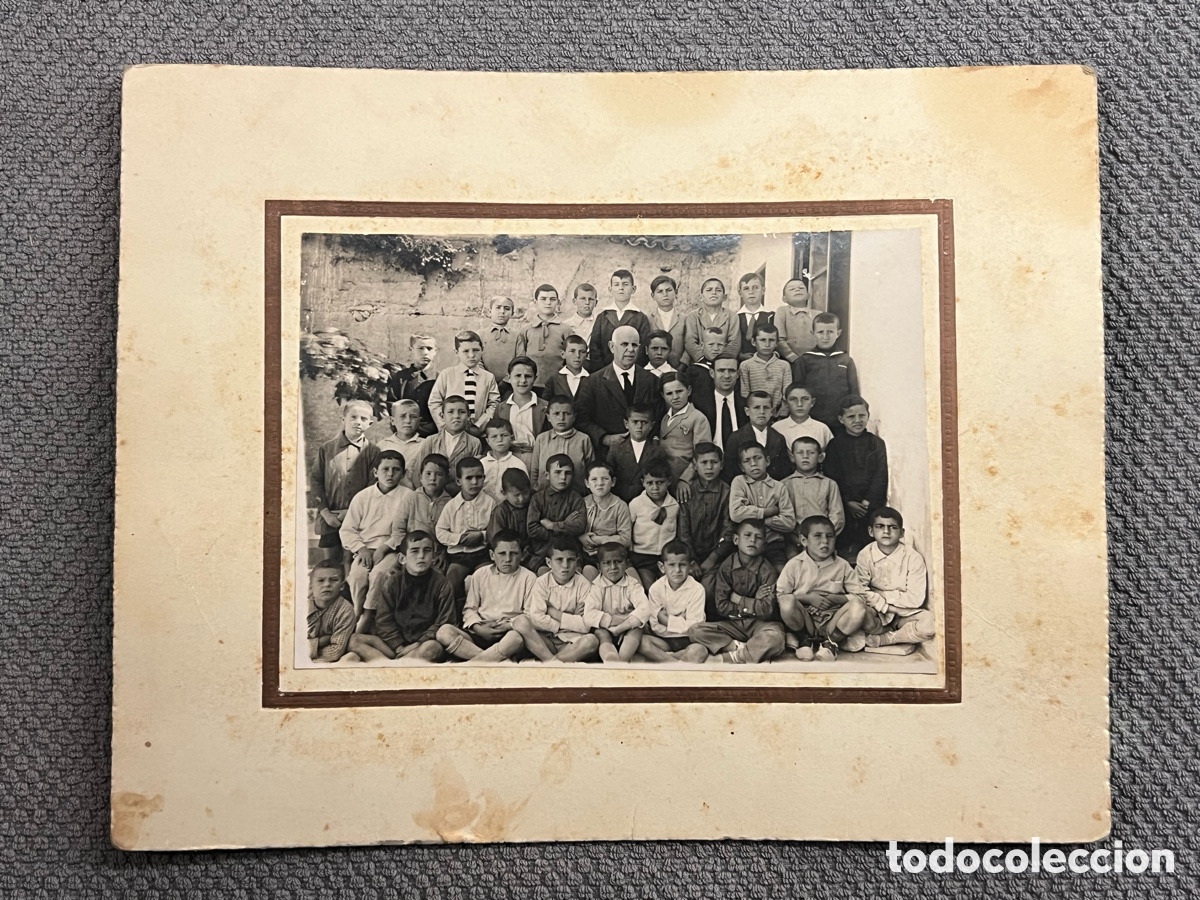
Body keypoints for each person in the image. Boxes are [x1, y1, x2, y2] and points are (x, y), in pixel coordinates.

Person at [686, 519, 786, 664]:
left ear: (764, 545)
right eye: (747, 535)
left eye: (758, 537)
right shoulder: (726, 567)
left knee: (775, 638)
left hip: (759, 624)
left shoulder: (768, 571)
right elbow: (722, 606)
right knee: (695, 630)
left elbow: (766, 610)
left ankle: (733, 657)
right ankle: (738, 647)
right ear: (735, 539)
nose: (752, 540)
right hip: (733, 624)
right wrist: (754, 602)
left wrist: (738, 599)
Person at [435, 530, 539, 663]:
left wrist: (507, 626)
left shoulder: (529, 578)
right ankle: (496, 659)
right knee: (444, 632)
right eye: (502, 553)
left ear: (522, 555)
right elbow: (470, 609)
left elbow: (529, 615)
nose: (507, 559)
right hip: (481, 632)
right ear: (492, 555)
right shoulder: (480, 574)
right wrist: (478, 628)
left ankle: (471, 664)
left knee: (516, 638)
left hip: (508, 632)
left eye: (513, 553)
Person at [353, 531, 454, 662]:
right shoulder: (392, 582)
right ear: (402, 558)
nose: (421, 556)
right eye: (415, 551)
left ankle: (393, 664)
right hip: (395, 648)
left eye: (427, 550)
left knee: (432, 648)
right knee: (354, 640)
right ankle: (401, 662)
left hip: (423, 645)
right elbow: (383, 620)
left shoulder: (442, 584)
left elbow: (444, 621)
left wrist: (418, 644)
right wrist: (398, 646)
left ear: (434, 557)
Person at [846, 507, 934, 651]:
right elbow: (860, 590)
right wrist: (884, 606)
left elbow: (915, 598)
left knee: (930, 623)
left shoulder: (913, 558)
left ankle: (886, 639)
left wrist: (880, 597)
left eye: (893, 527)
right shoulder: (865, 554)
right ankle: (883, 634)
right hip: (876, 612)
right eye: (880, 526)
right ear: (871, 531)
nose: (886, 531)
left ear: (902, 533)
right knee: (860, 611)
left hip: (904, 614)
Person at [776, 515, 861, 661]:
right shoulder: (794, 565)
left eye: (830, 536)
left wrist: (836, 599)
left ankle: (831, 642)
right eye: (817, 536)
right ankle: (803, 639)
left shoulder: (842, 565)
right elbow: (780, 595)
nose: (825, 541)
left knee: (858, 606)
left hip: (832, 620)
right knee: (786, 601)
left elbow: (860, 595)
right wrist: (808, 598)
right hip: (805, 619)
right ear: (804, 540)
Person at [339, 450, 412, 619]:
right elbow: (347, 529)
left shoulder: (408, 497)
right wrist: (361, 549)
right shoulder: (363, 497)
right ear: (375, 472)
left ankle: (369, 615)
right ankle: (357, 613)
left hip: (393, 549)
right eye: (385, 469)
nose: (390, 474)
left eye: (396, 470)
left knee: (379, 574)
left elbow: (407, 530)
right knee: (357, 576)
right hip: (365, 549)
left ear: (403, 473)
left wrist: (385, 548)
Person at [308, 399, 380, 561]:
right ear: (343, 419)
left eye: (363, 419)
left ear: (370, 424)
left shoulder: (373, 452)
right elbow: (316, 480)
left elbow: (372, 486)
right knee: (330, 563)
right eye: (353, 417)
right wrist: (325, 513)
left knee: (352, 562)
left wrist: (351, 512)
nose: (357, 422)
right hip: (330, 519)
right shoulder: (327, 449)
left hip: (358, 519)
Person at [574, 324, 661, 457]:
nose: (630, 349)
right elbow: (581, 419)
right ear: (611, 347)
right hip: (607, 455)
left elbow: (659, 415)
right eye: (624, 344)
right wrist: (604, 438)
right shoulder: (592, 382)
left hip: (644, 455)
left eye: (634, 345)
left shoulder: (652, 381)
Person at [515, 536, 602, 662]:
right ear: (549, 563)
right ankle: (554, 662)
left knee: (592, 641)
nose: (565, 565)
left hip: (571, 642)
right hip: (545, 641)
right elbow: (536, 618)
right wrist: (568, 620)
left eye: (570, 560)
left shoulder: (584, 586)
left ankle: (548, 662)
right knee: (520, 621)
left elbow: (585, 626)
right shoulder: (541, 583)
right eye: (559, 560)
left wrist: (554, 613)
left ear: (577, 561)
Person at [822, 395, 888, 559]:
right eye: (851, 416)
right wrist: (848, 501)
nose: (857, 420)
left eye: (862, 415)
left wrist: (867, 502)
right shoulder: (835, 445)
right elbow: (832, 475)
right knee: (846, 545)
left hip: (870, 505)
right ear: (841, 419)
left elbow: (880, 475)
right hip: (845, 505)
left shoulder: (876, 443)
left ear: (868, 416)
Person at [676, 442, 735, 618]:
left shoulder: (727, 492)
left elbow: (728, 530)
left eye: (714, 462)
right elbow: (683, 531)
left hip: (715, 557)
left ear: (721, 465)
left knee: (708, 590)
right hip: (690, 556)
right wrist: (691, 560)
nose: (709, 467)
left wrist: (712, 559)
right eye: (704, 462)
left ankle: (709, 625)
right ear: (695, 465)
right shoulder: (687, 491)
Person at [435, 457, 495, 617]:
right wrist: (459, 538)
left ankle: (485, 616)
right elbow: (440, 531)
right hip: (459, 556)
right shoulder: (451, 506)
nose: (474, 482)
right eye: (469, 478)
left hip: (482, 553)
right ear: (458, 481)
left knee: (487, 578)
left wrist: (481, 535)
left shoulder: (490, 503)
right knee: (452, 581)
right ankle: (452, 618)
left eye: (479, 477)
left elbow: (496, 529)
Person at [729, 443, 796, 570]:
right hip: (747, 545)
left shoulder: (779, 487)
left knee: (780, 572)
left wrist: (761, 519)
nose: (753, 464)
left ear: (767, 461)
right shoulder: (739, 482)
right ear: (741, 467)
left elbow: (789, 523)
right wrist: (767, 511)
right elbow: (736, 514)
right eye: (747, 461)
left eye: (758, 458)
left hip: (773, 543)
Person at [641, 541, 709, 663]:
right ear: (662, 567)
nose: (677, 570)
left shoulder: (697, 589)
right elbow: (655, 627)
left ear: (690, 566)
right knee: (642, 643)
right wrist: (682, 618)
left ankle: (664, 658)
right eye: (671, 565)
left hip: (688, 640)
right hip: (663, 640)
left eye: (682, 565)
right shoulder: (655, 589)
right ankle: (676, 662)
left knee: (699, 651)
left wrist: (666, 620)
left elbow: (695, 627)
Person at [584, 543, 651, 663]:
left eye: (618, 562)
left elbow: (644, 608)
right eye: (607, 563)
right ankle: (610, 658)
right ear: (599, 567)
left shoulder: (632, 584)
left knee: (636, 630)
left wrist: (622, 627)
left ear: (626, 564)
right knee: (601, 633)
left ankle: (623, 660)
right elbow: (589, 614)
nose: (613, 567)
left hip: (629, 626)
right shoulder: (596, 586)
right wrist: (613, 622)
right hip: (606, 626)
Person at [791, 312, 860, 428]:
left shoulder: (845, 360)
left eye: (830, 332)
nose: (825, 337)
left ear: (838, 333)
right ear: (813, 333)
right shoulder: (804, 360)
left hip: (840, 419)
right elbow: (798, 391)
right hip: (813, 418)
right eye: (820, 332)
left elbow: (854, 392)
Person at [428, 330, 500, 436]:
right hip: (450, 432)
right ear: (457, 352)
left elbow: (494, 404)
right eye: (466, 351)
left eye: (476, 350)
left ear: (482, 350)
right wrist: (446, 426)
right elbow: (434, 402)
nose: (471, 355)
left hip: (477, 433)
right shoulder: (447, 374)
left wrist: (479, 426)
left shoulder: (488, 377)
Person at [410, 395, 483, 495]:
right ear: (442, 416)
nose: (456, 416)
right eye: (450, 412)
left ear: (468, 415)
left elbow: (473, 474)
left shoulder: (474, 443)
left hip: (460, 496)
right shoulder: (431, 441)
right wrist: (425, 496)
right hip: (432, 495)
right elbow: (418, 472)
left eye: (462, 412)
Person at [526, 455, 587, 571]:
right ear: (547, 475)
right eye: (557, 472)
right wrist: (564, 526)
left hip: (570, 552)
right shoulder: (538, 498)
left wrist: (552, 526)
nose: (563, 477)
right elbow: (532, 528)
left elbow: (579, 526)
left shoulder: (576, 499)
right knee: (542, 573)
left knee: (576, 572)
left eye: (567, 473)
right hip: (542, 552)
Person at [783, 436, 845, 548]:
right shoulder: (784, 484)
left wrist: (823, 537)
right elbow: (782, 516)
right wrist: (796, 539)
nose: (805, 456)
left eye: (811, 453)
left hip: (823, 541)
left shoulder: (829, 484)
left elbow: (837, 517)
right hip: (793, 540)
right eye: (800, 452)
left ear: (820, 457)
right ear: (792, 457)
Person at [628, 459, 680, 590]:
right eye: (650, 483)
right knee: (649, 587)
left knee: (669, 586)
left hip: (665, 556)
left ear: (669, 481)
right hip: (642, 556)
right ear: (643, 483)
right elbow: (628, 530)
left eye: (660, 482)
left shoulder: (674, 505)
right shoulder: (636, 504)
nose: (655, 488)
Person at [606, 404, 674, 503]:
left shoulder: (657, 451)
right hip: (619, 500)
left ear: (651, 425)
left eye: (644, 422)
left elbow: (661, 478)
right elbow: (609, 475)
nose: (639, 426)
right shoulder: (616, 449)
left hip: (646, 502)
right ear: (626, 424)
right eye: (635, 422)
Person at [721, 390, 793, 483]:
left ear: (772, 411)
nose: (762, 412)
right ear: (747, 411)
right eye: (756, 407)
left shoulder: (778, 438)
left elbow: (783, 470)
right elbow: (730, 471)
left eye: (766, 408)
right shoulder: (736, 438)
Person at [588, 269, 653, 371]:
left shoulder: (640, 317)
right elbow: (594, 347)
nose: (621, 288)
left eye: (625, 284)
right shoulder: (602, 317)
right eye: (617, 284)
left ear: (633, 289)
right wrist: (602, 371)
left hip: (631, 371)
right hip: (605, 371)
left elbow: (643, 349)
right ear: (610, 289)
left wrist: (631, 370)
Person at [529, 395, 594, 494]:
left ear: (574, 416)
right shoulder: (542, 439)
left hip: (576, 494)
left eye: (567, 413)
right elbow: (535, 469)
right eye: (556, 413)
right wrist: (535, 490)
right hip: (546, 494)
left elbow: (591, 469)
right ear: (548, 417)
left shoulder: (583, 439)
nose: (561, 418)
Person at [580, 461, 633, 579]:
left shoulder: (620, 506)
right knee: (588, 576)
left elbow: (625, 539)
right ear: (587, 483)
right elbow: (573, 529)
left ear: (613, 482)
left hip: (614, 555)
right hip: (588, 555)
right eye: (594, 479)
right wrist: (580, 537)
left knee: (632, 579)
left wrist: (599, 540)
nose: (600, 483)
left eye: (605, 479)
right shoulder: (582, 503)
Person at [515, 284, 572, 392]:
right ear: (535, 302)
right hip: (531, 384)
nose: (548, 302)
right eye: (543, 299)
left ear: (558, 302)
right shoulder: (526, 330)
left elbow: (570, 357)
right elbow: (521, 358)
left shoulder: (566, 329)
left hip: (558, 384)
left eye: (552, 299)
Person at [496, 356, 548, 474]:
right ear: (509, 378)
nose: (523, 380)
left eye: (528, 376)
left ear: (535, 378)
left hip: (536, 457)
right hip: (508, 457)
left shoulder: (545, 407)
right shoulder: (501, 408)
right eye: (518, 375)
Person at [656, 372, 710, 484]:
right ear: (663, 395)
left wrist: (685, 479)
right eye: (669, 393)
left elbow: (702, 454)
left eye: (679, 391)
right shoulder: (665, 418)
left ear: (688, 391)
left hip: (684, 478)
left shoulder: (698, 418)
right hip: (664, 478)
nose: (675, 397)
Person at [692, 354, 747, 455]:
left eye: (732, 371)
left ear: (738, 374)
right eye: (721, 370)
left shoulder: (746, 405)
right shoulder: (698, 404)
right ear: (712, 373)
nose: (726, 376)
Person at [307, 559, 358, 663]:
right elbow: (292, 643)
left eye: (333, 580)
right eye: (321, 580)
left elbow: (335, 651)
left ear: (342, 586)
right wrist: (320, 642)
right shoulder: (301, 605)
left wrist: (306, 651)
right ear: (311, 586)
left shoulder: (345, 610)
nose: (327, 584)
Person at [387, 334, 439, 437]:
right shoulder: (400, 377)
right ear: (411, 350)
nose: (425, 352)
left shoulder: (440, 378)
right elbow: (392, 404)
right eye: (420, 348)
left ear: (435, 351)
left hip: (433, 433)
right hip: (405, 431)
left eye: (429, 348)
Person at [737, 322, 791, 418]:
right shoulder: (745, 365)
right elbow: (745, 393)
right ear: (753, 342)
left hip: (778, 414)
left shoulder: (784, 365)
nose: (767, 344)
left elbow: (786, 392)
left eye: (771, 340)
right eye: (762, 340)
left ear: (777, 343)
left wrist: (783, 409)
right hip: (755, 414)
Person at [682, 277, 739, 364]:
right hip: (700, 362)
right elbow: (690, 342)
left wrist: (723, 360)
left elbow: (734, 342)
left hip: (724, 363)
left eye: (718, 290)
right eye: (709, 290)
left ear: (724, 297)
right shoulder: (693, 316)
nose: (714, 293)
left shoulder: (732, 316)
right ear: (701, 297)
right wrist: (702, 359)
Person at [486, 468, 535, 570]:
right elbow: (496, 539)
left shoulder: (535, 504)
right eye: (516, 495)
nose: (521, 498)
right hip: (509, 556)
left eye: (525, 493)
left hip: (533, 554)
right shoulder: (501, 512)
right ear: (504, 493)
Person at [377, 398, 426, 488]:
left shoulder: (426, 445)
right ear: (392, 421)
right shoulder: (382, 445)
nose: (408, 421)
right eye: (402, 416)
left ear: (419, 421)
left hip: (414, 493)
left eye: (413, 417)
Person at [772, 383, 834, 452]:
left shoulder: (822, 429)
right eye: (793, 399)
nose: (799, 404)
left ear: (812, 402)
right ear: (786, 403)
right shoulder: (776, 428)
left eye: (805, 399)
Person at [480, 418, 527, 503]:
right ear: (487, 441)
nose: (499, 440)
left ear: (511, 438)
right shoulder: (481, 464)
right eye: (494, 436)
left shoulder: (518, 465)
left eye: (504, 435)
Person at [773, 278, 819, 364]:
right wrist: (793, 358)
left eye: (801, 288)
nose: (797, 290)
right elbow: (779, 339)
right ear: (784, 299)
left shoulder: (818, 314)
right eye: (792, 289)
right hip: (791, 361)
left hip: (815, 360)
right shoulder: (782, 311)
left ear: (808, 295)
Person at [480, 295, 520, 391]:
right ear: (489, 311)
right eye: (498, 307)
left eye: (507, 308)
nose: (502, 311)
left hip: (510, 386)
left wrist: (506, 381)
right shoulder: (480, 335)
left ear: (512, 313)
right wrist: (487, 380)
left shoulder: (518, 336)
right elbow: (477, 361)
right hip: (484, 383)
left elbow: (519, 359)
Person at [646, 275, 687, 366]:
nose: (665, 294)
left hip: (679, 367)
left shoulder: (685, 319)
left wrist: (683, 364)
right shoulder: (648, 319)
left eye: (669, 290)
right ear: (653, 296)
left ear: (676, 292)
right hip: (654, 367)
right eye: (660, 291)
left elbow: (688, 344)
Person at [733, 271, 773, 361]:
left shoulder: (772, 316)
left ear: (763, 290)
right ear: (740, 292)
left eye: (756, 288)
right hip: (740, 362)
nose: (751, 292)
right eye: (746, 288)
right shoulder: (734, 317)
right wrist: (739, 355)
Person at [547, 334, 589, 398]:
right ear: (563, 354)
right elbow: (546, 402)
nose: (577, 355)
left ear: (586, 355)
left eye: (582, 352)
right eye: (572, 351)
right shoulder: (553, 380)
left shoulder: (593, 379)